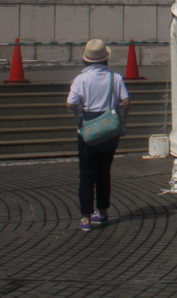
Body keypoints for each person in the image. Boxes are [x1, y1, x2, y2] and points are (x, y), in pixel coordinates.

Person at [66, 39, 130, 232]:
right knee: (104, 172)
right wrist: (120, 119)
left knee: (87, 174)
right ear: (105, 58)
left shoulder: (81, 79)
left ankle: (86, 219)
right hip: (110, 130)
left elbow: (70, 103)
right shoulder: (115, 78)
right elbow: (126, 102)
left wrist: (80, 113)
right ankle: (102, 213)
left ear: (86, 59)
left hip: (88, 130)